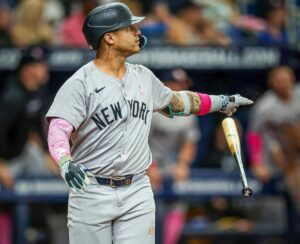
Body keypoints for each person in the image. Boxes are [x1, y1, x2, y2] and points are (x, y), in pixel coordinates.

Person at [45, 2, 253, 244]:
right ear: (109, 38)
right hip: (92, 190)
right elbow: (58, 128)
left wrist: (221, 101)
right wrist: (65, 162)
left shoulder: (143, 76)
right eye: (129, 28)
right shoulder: (80, 83)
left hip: (137, 189)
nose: (137, 32)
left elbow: (178, 102)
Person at [148, 68, 200, 244]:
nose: (178, 88)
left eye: (182, 84)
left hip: (171, 164)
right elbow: (138, 142)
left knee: (178, 203)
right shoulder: (153, 108)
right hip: (146, 164)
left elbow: (189, 143)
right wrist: (150, 167)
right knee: (149, 211)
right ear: (165, 86)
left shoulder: (189, 110)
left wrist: (183, 164)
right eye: (174, 84)